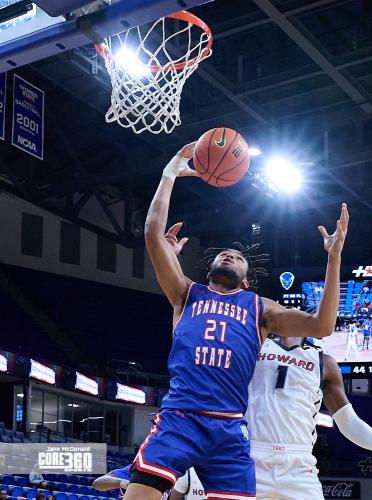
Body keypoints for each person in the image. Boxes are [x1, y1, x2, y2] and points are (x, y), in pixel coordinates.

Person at [125, 143, 348, 500]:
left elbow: (322, 326)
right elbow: (153, 233)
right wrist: (169, 173)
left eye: (238, 256)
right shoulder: (186, 294)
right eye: (223, 253)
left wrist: (334, 259)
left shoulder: (260, 309)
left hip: (230, 430)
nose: (229, 254)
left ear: (246, 280)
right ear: (209, 269)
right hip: (181, 418)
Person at [246, 336, 372, 499]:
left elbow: (348, 421)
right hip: (249, 456)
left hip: (298, 464)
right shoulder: (252, 346)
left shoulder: (324, 362)